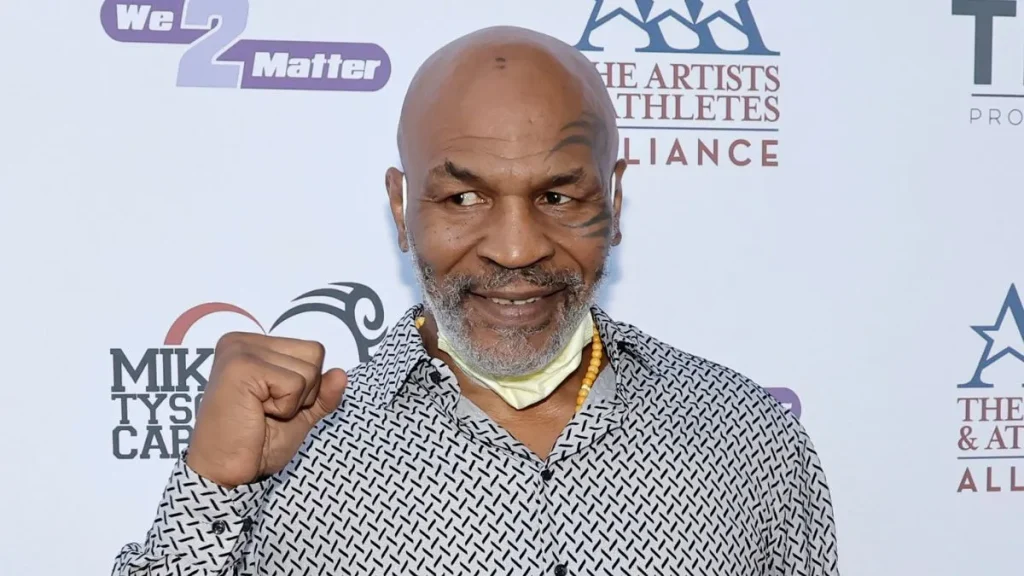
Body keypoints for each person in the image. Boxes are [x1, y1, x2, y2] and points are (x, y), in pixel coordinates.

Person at [112, 25, 839, 575]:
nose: (515, 250)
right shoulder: (290, 450)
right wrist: (212, 487)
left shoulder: (749, 439)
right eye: (463, 198)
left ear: (614, 200)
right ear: (401, 209)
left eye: (558, 197)